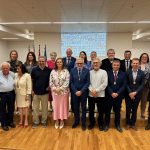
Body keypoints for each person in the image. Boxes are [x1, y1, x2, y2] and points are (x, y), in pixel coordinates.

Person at [106, 60, 126, 132]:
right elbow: (106, 84)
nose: (116, 66)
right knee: (108, 111)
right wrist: (111, 93)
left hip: (119, 96)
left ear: (119, 66)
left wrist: (117, 93)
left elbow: (124, 85)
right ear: (112, 65)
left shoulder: (123, 74)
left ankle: (117, 125)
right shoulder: (107, 73)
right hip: (109, 95)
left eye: (117, 65)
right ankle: (107, 125)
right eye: (114, 65)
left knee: (117, 111)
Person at [70, 58, 90, 131]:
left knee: (83, 108)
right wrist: (75, 91)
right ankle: (76, 121)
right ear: (76, 63)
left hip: (83, 93)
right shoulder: (72, 70)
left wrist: (81, 91)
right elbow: (71, 82)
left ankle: (83, 123)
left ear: (83, 64)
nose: (79, 65)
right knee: (76, 108)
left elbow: (87, 82)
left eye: (81, 63)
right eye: (78, 63)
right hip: (74, 93)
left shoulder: (87, 71)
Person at [50, 58, 70, 129]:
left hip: (63, 92)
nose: (59, 63)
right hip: (55, 93)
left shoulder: (66, 71)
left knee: (63, 106)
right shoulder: (53, 71)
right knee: (56, 107)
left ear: (62, 63)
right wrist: (55, 89)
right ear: (56, 63)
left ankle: (62, 120)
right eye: (57, 62)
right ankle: (56, 121)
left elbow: (67, 82)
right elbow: (51, 82)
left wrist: (60, 89)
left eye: (60, 62)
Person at [88, 58, 108, 131]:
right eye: (94, 63)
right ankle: (92, 123)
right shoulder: (89, 72)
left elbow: (104, 84)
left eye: (97, 62)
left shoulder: (104, 72)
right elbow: (88, 83)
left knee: (101, 111)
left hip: (100, 95)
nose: (95, 64)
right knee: (91, 110)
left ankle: (100, 124)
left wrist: (96, 90)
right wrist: (92, 91)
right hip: (91, 95)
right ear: (92, 64)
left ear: (100, 64)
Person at [31, 56, 51, 128]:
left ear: (45, 62)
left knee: (45, 108)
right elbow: (32, 80)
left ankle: (44, 121)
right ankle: (36, 122)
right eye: (40, 61)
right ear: (38, 61)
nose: (41, 62)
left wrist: (49, 86)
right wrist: (32, 90)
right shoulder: (34, 70)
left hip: (45, 93)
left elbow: (51, 80)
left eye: (43, 61)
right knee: (35, 108)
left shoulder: (49, 70)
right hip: (36, 92)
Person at [126, 58, 144, 131]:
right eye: (134, 63)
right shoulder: (127, 72)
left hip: (137, 94)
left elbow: (142, 84)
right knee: (128, 109)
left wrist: (135, 92)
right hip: (128, 94)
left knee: (134, 109)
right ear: (131, 64)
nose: (135, 64)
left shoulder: (141, 73)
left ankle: (133, 124)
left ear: (138, 64)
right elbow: (126, 83)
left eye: (137, 63)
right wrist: (130, 92)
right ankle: (127, 123)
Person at [0, 62, 16, 131]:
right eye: (4, 68)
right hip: (2, 94)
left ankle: (10, 122)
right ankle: (4, 124)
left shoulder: (12, 74)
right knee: (2, 109)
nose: (5, 69)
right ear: (1, 68)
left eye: (7, 68)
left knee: (11, 108)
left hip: (11, 93)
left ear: (9, 68)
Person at [139, 53, 150, 119]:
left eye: (146, 57)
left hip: (146, 86)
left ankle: (142, 113)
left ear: (148, 58)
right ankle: (133, 111)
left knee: (144, 100)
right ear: (141, 57)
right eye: (143, 57)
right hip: (137, 86)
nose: (144, 58)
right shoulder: (137, 64)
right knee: (135, 100)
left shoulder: (149, 65)